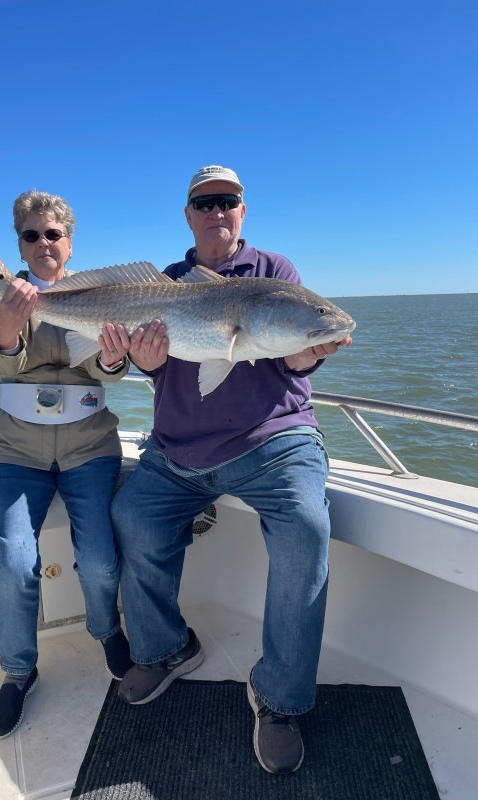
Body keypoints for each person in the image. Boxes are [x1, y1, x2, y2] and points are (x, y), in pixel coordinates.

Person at [111, 165, 353, 774]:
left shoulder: (276, 275)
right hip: (178, 453)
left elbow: (293, 356)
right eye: (205, 202)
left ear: (243, 212)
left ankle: (279, 698)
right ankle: (166, 649)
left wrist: (307, 351)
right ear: (188, 215)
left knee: (305, 528)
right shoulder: (163, 287)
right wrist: (134, 360)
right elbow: (172, 368)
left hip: (274, 444)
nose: (218, 210)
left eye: (229, 201)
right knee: (132, 515)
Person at [0, 189, 133, 739]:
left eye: (53, 234)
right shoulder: (11, 296)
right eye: (31, 235)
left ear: (70, 243)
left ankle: (107, 630)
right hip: (16, 453)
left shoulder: (99, 294)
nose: (44, 243)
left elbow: (110, 370)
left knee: (99, 560)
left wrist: (116, 355)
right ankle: (18, 671)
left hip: (87, 448)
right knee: (16, 561)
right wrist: (7, 318)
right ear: (19, 244)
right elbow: (1, 358)